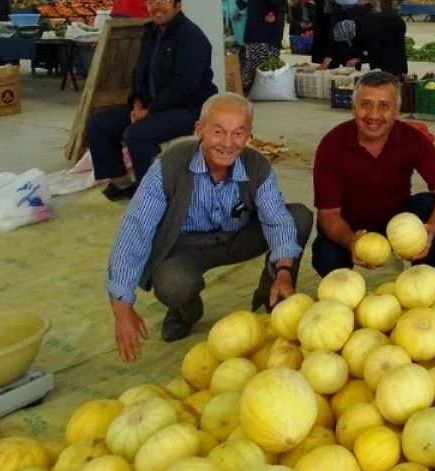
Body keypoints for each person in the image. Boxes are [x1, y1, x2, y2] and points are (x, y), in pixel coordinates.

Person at [106, 93, 313, 357]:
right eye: (218, 132)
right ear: (198, 129)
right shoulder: (168, 166)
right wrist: (122, 306)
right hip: (186, 248)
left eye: (238, 133)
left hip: (239, 237)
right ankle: (187, 310)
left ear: (249, 133)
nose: (228, 143)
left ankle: (271, 294)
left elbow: (276, 219)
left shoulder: (257, 165)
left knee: (297, 217)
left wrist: (284, 270)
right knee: (173, 285)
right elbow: (134, 232)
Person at [312, 71, 435, 274]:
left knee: (429, 203)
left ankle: (424, 273)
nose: (373, 115)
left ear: (397, 110)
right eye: (365, 104)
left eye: (384, 106)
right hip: (349, 225)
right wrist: (351, 241)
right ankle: (343, 285)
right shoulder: (332, 144)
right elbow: (328, 214)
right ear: (353, 107)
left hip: (395, 222)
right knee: (327, 258)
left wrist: (432, 228)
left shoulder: (412, 139)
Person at [87, 0, 219, 200]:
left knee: (137, 135)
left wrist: (149, 112)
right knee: (98, 125)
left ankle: (154, 194)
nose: (158, 6)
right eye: (152, 1)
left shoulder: (190, 36)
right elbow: (140, 73)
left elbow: (185, 85)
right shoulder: (151, 33)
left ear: (178, 6)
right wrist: (138, 104)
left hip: (189, 108)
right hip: (153, 106)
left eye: (165, 0)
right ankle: (121, 183)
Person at [242, 0, 283, 93]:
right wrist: (274, 13)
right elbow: (276, 6)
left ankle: (250, 85)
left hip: (252, 30)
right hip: (266, 31)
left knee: (251, 58)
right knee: (267, 60)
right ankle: (266, 88)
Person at [375, 0, 409, 76]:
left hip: (385, 61)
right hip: (400, 61)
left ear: (381, 4)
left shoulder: (378, 18)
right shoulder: (399, 19)